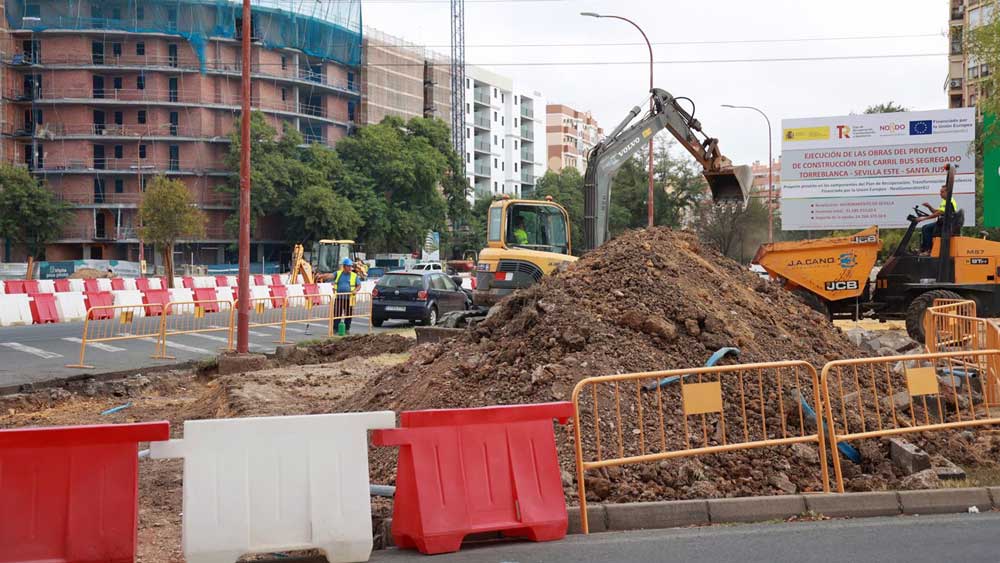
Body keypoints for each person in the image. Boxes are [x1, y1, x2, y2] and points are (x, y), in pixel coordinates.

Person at [917, 185, 960, 254]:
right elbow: (936, 212)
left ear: (947, 192)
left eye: (942, 192)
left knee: (926, 228)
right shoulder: (944, 201)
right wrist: (929, 206)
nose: (940, 193)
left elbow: (938, 214)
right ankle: (925, 248)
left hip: (947, 225)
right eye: (940, 192)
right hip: (942, 223)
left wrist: (923, 219)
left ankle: (928, 249)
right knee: (925, 227)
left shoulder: (950, 201)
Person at [333, 258, 360, 333]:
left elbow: (359, 285)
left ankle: (347, 328)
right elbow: (331, 276)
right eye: (348, 266)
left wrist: (355, 290)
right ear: (344, 266)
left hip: (349, 298)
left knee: (348, 314)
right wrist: (322, 276)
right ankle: (335, 328)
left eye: (351, 266)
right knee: (337, 313)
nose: (350, 268)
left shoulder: (354, 275)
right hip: (339, 297)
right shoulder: (338, 273)